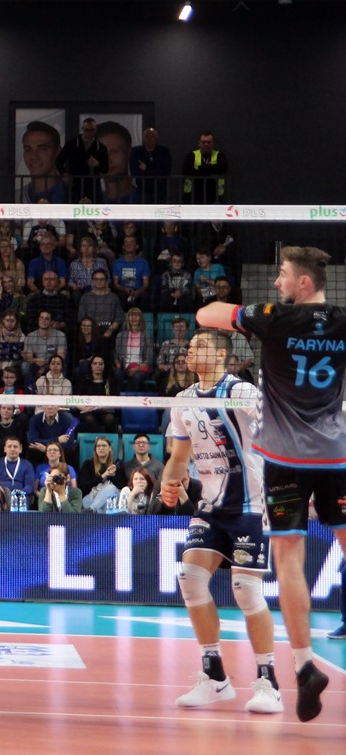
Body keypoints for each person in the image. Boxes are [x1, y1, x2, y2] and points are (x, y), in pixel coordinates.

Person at [197, 246, 346, 722]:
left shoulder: (273, 318)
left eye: (282, 275)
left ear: (303, 282)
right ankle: (302, 667)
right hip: (337, 456)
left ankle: (304, 665)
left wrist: (250, 315)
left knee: (289, 562)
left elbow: (206, 314)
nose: (277, 282)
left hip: (284, 460)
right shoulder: (342, 321)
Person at [158, 330, 280, 714]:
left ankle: (268, 682)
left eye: (200, 345)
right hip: (211, 506)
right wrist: (168, 482)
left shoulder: (241, 391)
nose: (190, 350)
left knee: (245, 589)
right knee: (190, 579)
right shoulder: (182, 401)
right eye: (190, 345)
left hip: (251, 505)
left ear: (222, 355)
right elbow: (179, 457)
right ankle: (215, 678)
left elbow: (276, 429)